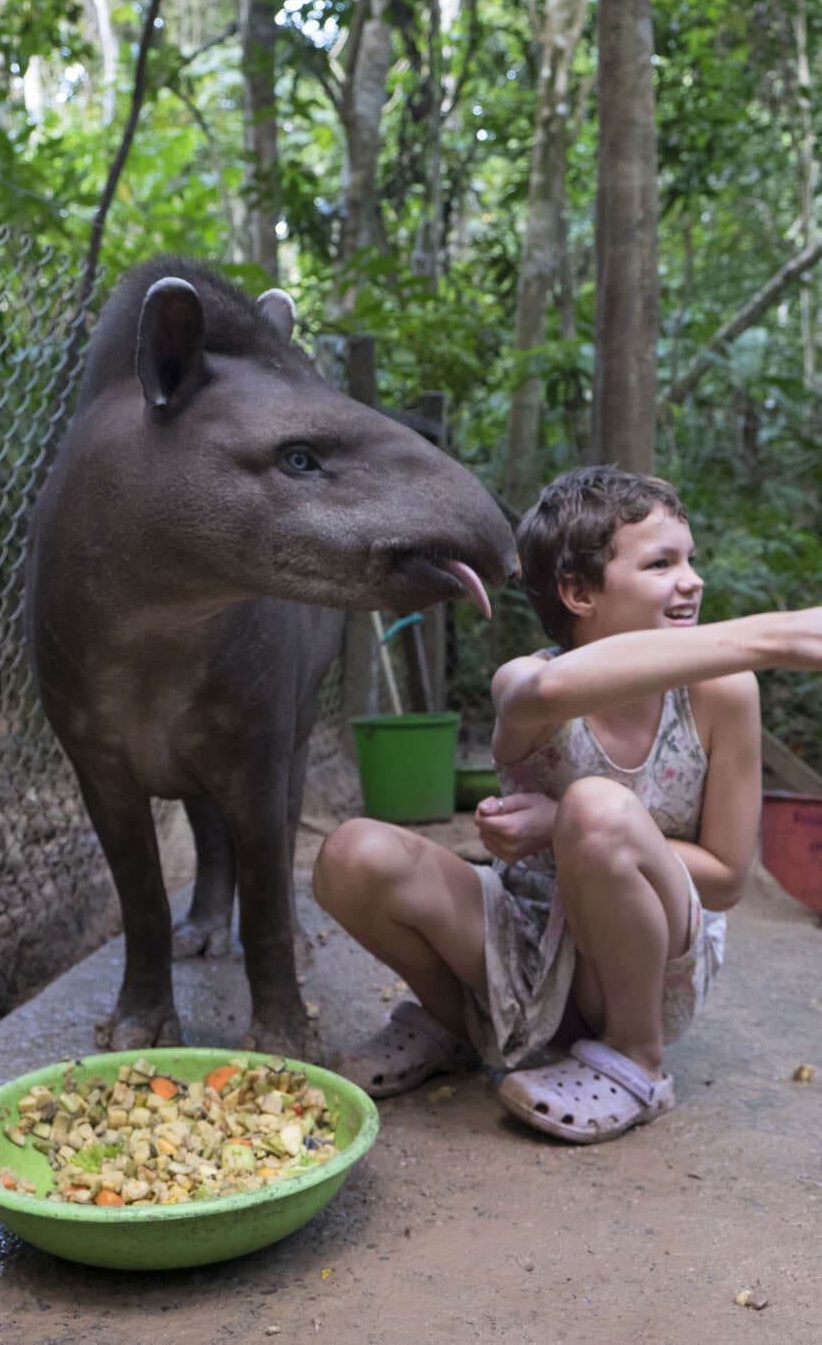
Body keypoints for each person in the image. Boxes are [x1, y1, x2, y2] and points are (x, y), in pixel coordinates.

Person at [312, 465, 822, 1144]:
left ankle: (636, 1061)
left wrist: (561, 826)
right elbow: (548, 695)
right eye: (661, 563)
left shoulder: (720, 695)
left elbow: (727, 879)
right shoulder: (525, 679)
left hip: (643, 966)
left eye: (689, 559)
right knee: (351, 852)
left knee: (596, 809)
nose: (691, 579)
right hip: (516, 941)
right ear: (578, 591)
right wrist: (776, 638)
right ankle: (460, 1025)